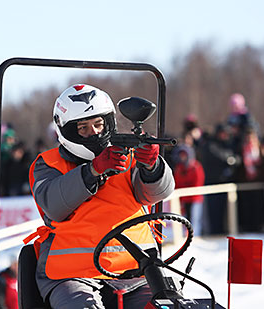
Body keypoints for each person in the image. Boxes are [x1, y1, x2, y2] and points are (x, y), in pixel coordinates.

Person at [25, 84, 175, 309]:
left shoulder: (128, 155)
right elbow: (53, 205)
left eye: (98, 124)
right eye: (83, 128)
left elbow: (156, 194)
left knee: (174, 305)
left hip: (138, 270)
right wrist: (93, 170)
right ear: (66, 131)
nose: (93, 133)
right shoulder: (48, 164)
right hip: (73, 275)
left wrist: (152, 166)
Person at [171, 145, 205, 236]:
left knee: (194, 219)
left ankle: (195, 236)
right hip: (183, 199)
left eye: (184, 155)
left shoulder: (196, 167)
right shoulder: (179, 168)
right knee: (184, 220)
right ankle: (185, 237)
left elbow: (198, 182)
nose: (182, 158)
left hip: (194, 199)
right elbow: (177, 183)